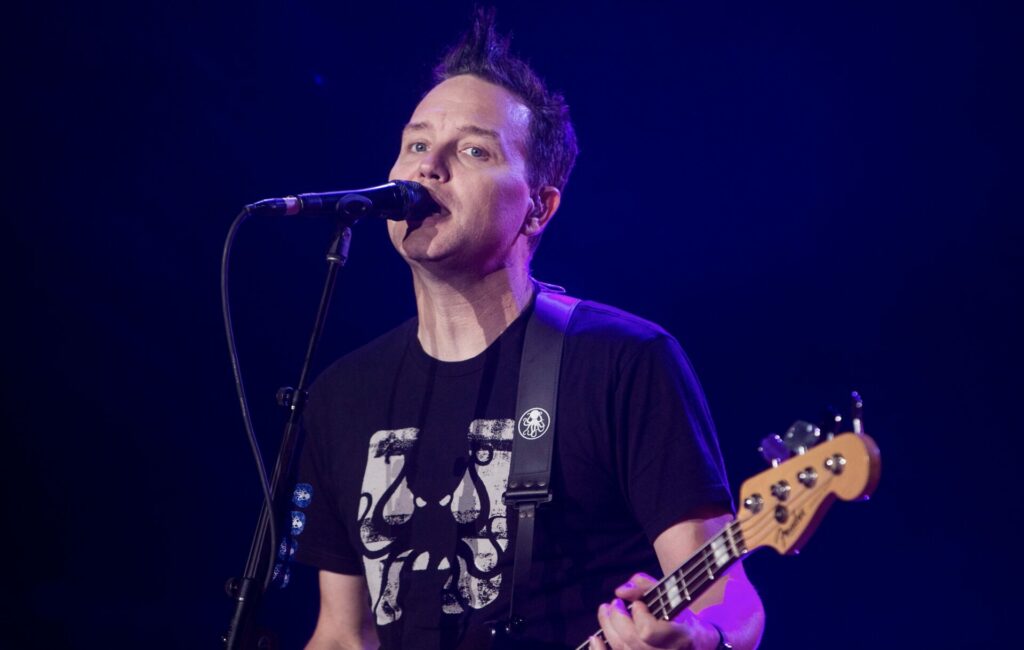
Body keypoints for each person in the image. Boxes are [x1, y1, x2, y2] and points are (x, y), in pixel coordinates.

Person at [290, 9, 765, 650]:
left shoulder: (622, 363)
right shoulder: (342, 394)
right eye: (416, 144)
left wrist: (699, 640)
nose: (429, 167)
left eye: (474, 150)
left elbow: (728, 599)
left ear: (538, 208)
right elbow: (344, 635)